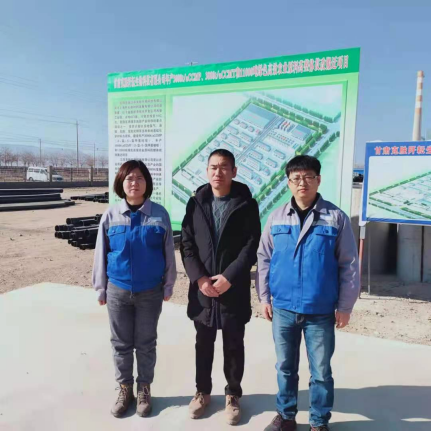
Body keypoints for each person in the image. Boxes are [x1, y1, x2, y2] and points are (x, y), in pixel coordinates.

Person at [257, 155, 359, 431]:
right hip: (283, 308)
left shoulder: (335, 218)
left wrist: (345, 306)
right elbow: (264, 258)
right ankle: (286, 416)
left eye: (308, 177)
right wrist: (264, 297)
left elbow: (349, 264)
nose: (302, 183)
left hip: (320, 310)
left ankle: (318, 421)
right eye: (296, 178)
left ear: (318, 180)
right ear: (288, 183)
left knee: (321, 372)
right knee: (285, 367)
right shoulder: (276, 217)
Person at [180, 149, 261, 425]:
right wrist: (200, 279)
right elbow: (187, 245)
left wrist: (230, 276)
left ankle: (233, 394)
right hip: (203, 290)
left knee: (234, 345)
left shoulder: (246, 204)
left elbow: (251, 246)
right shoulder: (196, 204)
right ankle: (202, 392)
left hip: (232, 288)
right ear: (207, 171)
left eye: (224, 167)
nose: (218, 172)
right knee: (203, 344)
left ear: (234, 171)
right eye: (213, 167)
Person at [92, 160, 176, 418]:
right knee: (120, 343)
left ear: (147, 183)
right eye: (129, 178)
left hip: (150, 292)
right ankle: (124, 388)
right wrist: (101, 288)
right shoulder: (111, 216)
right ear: (121, 183)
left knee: (146, 343)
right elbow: (101, 253)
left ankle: (144, 389)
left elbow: (169, 252)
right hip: (118, 291)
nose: (134, 183)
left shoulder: (159, 215)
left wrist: (168, 284)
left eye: (140, 178)